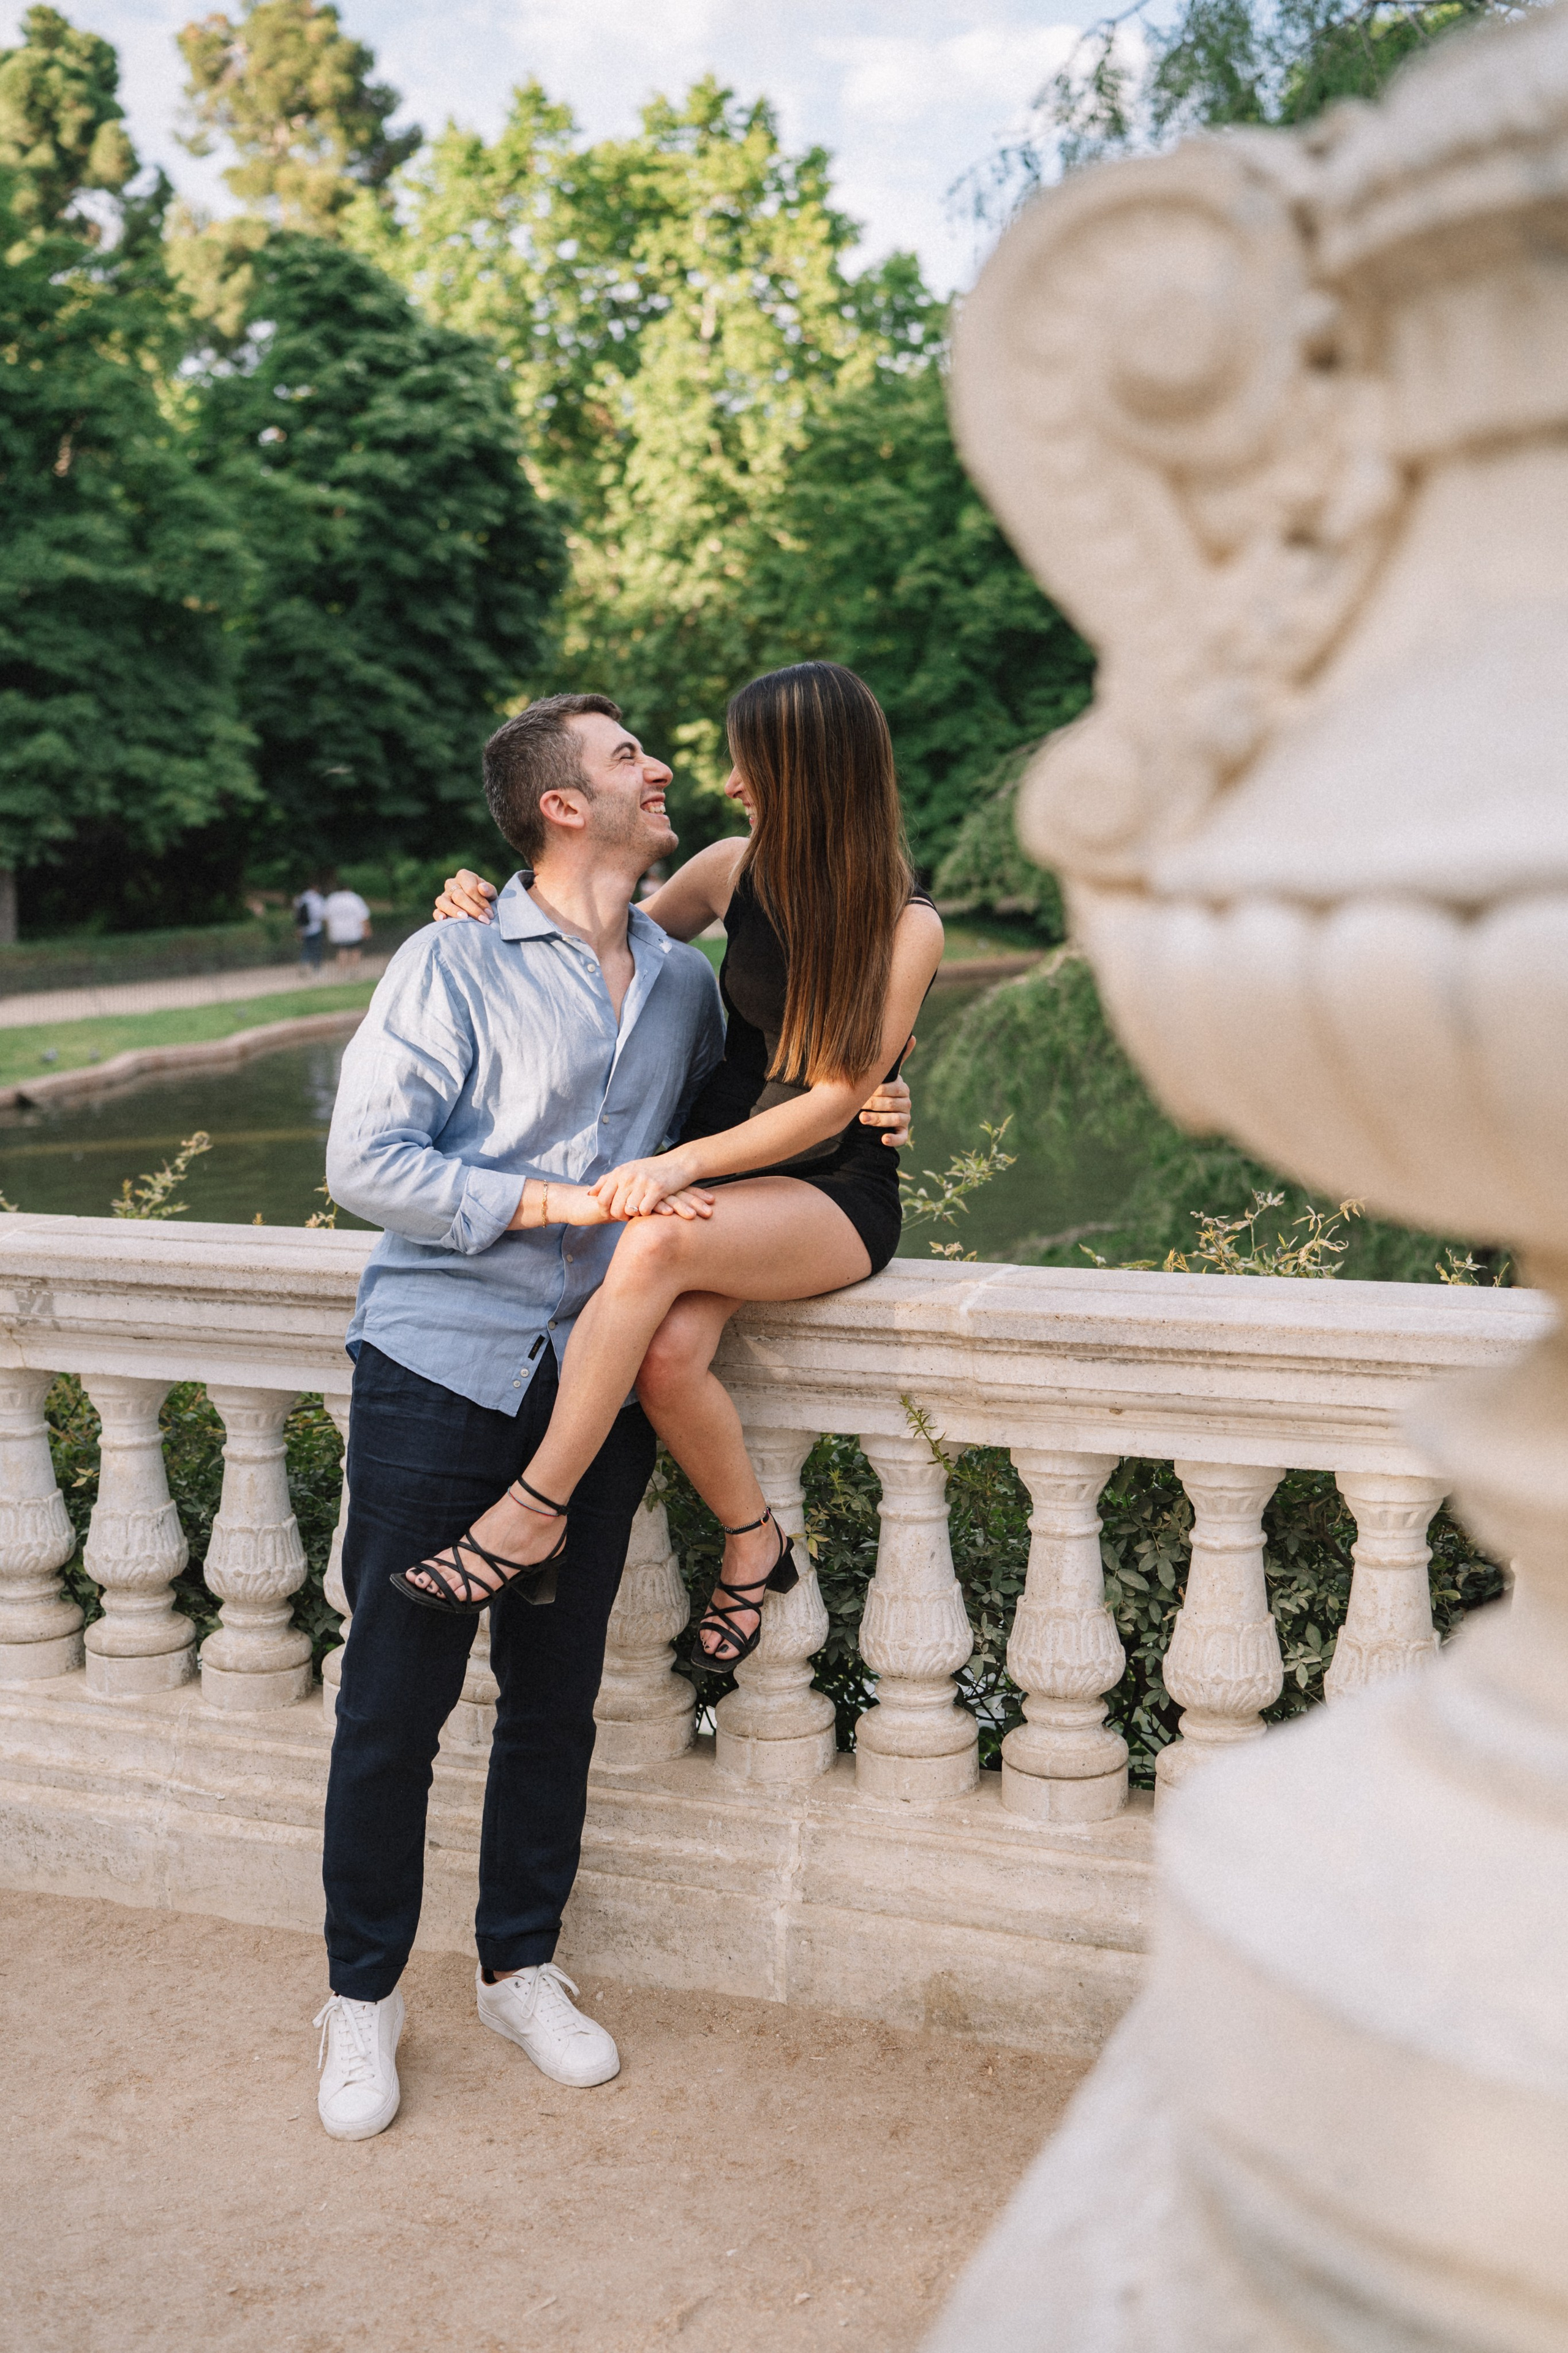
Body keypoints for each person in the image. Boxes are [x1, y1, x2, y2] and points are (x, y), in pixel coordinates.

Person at [314, 688, 911, 2142]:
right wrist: (559, 1195)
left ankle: (520, 1964)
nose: (672, 773)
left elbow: (798, 1080)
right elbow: (365, 1162)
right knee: (393, 1699)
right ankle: (361, 1999)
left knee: (553, 1699)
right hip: (445, 1353)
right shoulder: (450, 956)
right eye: (630, 756)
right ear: (563, 806)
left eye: (681, 752)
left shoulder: (684, 979)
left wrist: (873, 1104)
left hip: (595, 1352)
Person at [412, 660, 942, 1691]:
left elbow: (835, 1098)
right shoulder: (732, 869)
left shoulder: (906, 923)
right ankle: (755, 1543)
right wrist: (488, 900)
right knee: (666, 1360)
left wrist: (673, 1166)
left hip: (831, 1184)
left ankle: (530, 1514)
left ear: (808, 771)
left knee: (650, 1239)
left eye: (752, 766)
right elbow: (597, 935)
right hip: (729, 1173)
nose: (735, 787)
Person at [322, 879, 372, 969]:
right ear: (348, 889)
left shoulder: (332, 899)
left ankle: (342, 970)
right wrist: (367, 929)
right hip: (354, 930)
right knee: (355, 950)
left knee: (342, 950)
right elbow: (363, 916)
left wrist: (329, 929)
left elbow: (326, 917)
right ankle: (353, 970)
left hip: (337, 931)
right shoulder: (354, 898)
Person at [293, 880, 326, 974]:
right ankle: (316, 968)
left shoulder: (301, 898)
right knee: (316, 948)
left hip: (304, 928)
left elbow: (297, 915)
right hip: (316, 927)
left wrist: (299, 928)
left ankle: (304, 965)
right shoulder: (317, 899)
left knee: (307, 948)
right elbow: (321, 914)